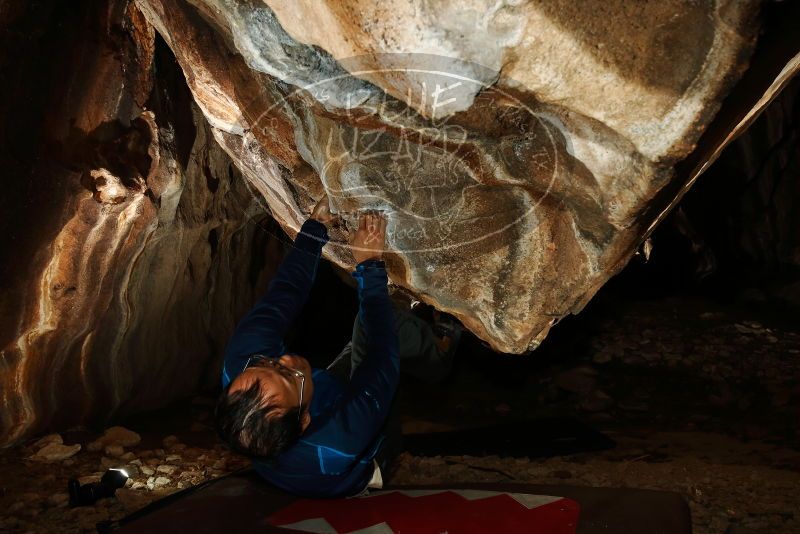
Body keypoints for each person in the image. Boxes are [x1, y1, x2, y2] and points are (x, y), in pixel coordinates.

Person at [215, 195, 461, 498]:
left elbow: (284, 295)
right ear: (305, 419)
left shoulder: (243, 362)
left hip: (322, 395)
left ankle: (399, 339)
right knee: (381, 328)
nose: (288, 359)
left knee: (365, 330)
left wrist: (315, 229)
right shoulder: (343, 434)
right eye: (289, 375)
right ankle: (440, 354)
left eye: (270, 363)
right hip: (360, 459)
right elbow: (382, 357)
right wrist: (370, 266)